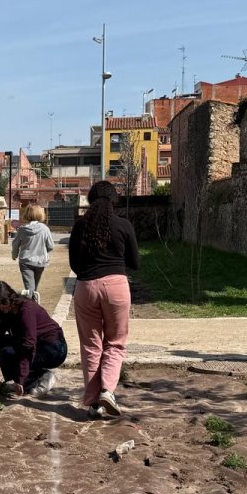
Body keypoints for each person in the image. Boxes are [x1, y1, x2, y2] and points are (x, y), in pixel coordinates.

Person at [69, 180, 139, 419]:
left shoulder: (79, 227)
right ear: (114, 201)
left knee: (90, 345)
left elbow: (74, 264)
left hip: (86, 287)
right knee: (115, 342)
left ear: (90, 200)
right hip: (116, 287)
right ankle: (107, 391)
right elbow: (135, 263)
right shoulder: (124, 225)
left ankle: (92, 401)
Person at [0, 280, 66, 396]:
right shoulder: (6, 310)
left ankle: (33, 380)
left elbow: (29, 345)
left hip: (54, 349)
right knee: (0, 345)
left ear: (7, 298)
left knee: (17, 357)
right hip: (37, 345)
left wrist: (21, 379)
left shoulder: (26, 310)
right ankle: (36, 376)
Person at [12, 204, 55, 301]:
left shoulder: (22, 229)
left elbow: (15, 244)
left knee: (29, 287)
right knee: (34, 286)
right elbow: (51, 246)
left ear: (27, 214)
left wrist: (14, 255)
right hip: (40, 261)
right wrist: (43, 251)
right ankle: (33, 304)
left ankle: (31, 306)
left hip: (25, 261)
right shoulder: (45, 229)